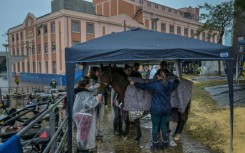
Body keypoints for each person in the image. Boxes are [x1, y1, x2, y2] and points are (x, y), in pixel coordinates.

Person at [130, 69, 179, 151]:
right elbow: (176, 84)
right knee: (164, 127)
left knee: (155, 127)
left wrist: (134, 83)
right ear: (165, 76)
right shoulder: (169, 84)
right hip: (166, 109)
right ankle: (165, 146)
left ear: (157, 76)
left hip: (156, 109)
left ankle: (155, 147)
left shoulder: (154, 84)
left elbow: (144, 86)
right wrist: (177, 79)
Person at [73, 76, 102, 152]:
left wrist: (95, 88)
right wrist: (97, 99)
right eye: (90, 82)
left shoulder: (81, 91)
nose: (91, 84)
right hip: (84, 116)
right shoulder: (84, 93)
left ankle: (81, 148)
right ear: (87, 84)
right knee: (84, 134)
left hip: (80, 115)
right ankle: (83, 150)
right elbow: (87, 104)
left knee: (81, 133)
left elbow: (88, 92)